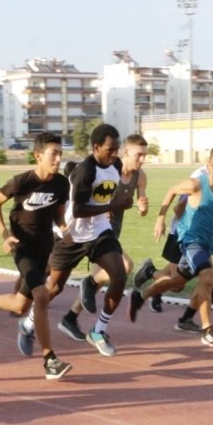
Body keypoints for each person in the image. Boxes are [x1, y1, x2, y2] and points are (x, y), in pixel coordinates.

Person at [0, 133, 73, 379]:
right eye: (54, 153)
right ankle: (49, 360)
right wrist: (4, 235)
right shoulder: (22, 181)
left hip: (44, 247)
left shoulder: (62, 184)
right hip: (22, 247)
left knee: (21, 304)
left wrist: (64, 228)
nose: (58, 158)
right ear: (38, 155)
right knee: (42, 296)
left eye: (60, 153)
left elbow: (58, 213)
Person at [128, 146, 213, 347]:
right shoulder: (196, 185)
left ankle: (141, 295)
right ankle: (207, 329)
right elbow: (172, 190)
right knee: (207, 276)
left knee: (176, 282)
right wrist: (160, 219)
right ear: (210, 165)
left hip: (208, 242)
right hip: (190, 240)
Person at [58, 133, 148, 342]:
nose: (142, 160)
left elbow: (141, 205)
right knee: (124, 267)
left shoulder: (140, 176)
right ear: (126, 152)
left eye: (145, 155)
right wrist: (102, 209)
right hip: (90, 232)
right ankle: (33, 316)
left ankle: (70, 318)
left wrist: (143, 208)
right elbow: (85, 194)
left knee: (103, 279)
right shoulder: (109, 169)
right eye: (138, 155)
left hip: (110, 232)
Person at [149, 155, 213, 325]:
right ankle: (150, 272)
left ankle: (206, 294)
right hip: (185, 229)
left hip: (211, 228)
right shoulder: (197, 180)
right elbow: (178, 207)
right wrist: (166, 222)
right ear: (212, 164)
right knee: (177, 285)